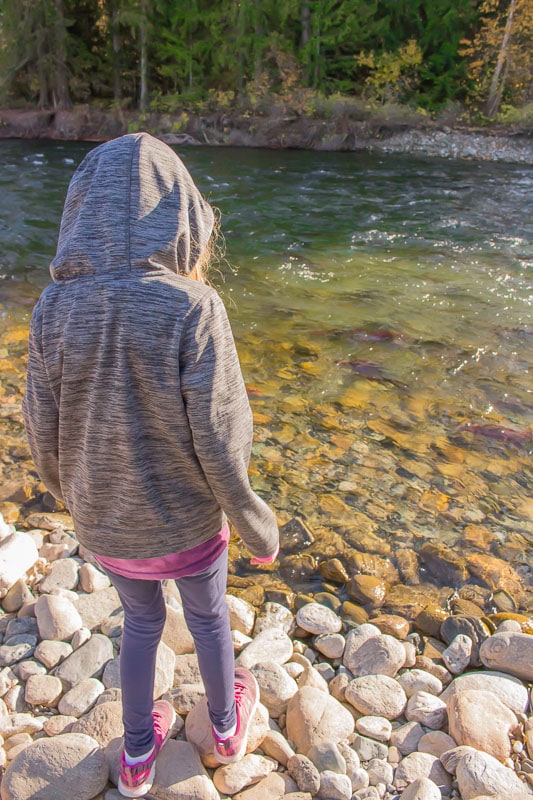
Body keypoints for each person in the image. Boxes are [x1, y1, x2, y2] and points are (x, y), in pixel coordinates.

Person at [22, 132, 279, 798]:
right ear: (184, 217)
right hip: (189, 527)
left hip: (108, 528)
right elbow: (221, 440)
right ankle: (224, 729)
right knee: (208, 618)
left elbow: (41, 431)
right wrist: (256, 526)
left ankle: (136, 756)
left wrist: (72, 498)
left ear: (79, 211)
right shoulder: (193, 307)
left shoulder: (53, 308)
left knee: (137, 625)